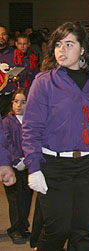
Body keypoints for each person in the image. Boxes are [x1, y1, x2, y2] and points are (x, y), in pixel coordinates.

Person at [21, 22, 89, 250]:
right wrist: (34, 167)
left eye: (69, 44)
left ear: (83, 49)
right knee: (57, 229)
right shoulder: (44, 82)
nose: (61, 50)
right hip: (54, 166)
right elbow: (31, 127)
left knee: (82, 232)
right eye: (57, 44)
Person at [2, 88, 32, 244]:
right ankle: (14, 229)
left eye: (23, 102)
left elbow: (32, 141)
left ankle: (23, 226)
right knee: (15, 199)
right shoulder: (6, 122)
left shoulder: (30, 121)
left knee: (26, 197)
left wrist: (28, 159)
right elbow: (6, 144)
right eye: (16, 101)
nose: (18, 105)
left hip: (27, 165)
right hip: (12, 167)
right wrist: (15, 160)